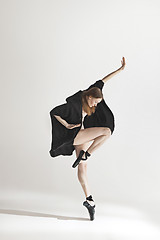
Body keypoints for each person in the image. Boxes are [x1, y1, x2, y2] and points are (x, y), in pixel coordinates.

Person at [49, 57, 126, 220]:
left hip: (83, 136)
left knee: (82, 169)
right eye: (95, 102)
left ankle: (89, 200)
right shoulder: (75, 102)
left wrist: (119, 70)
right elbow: (54, 111)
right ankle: (87, 154)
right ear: (89, 97)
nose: (95, 106)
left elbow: (103, 80)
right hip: (75, 135)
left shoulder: (94, 90)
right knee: (106, 132)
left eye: (99, 103)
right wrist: (67, 125)